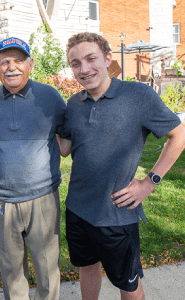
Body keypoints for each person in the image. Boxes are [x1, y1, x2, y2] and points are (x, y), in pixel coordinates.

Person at [57, 32, 185, 300]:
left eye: (91, 59)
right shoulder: (74, 104)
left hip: (116, 212)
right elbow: (65, 149)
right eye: (76, 63)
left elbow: (180, 135)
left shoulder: (139, 95)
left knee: (128, 284)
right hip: (77, 209)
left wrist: (150, 182)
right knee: (87, 267)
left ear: (107, 58)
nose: (84, 69)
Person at [0, 37, 66, 300]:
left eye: (18, 60)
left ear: (30, 64)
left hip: (42, 199)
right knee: (10, 270)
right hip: (1, 202)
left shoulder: (50, 97)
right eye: (4, 62)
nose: (11, 67)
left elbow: (70, 135)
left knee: (47, 268)